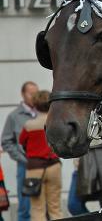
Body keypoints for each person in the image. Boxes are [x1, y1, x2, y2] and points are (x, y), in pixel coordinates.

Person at [19, 90, 62, 221]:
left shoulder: (28, 125)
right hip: (54, 166)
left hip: (35, 168)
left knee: (37, 208)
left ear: (35, 105)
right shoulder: (56, 123)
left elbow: (21, 142)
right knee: (55, 207)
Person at [1, 81, 38, 221]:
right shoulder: (14, 116)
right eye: (31, 93)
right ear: (23, 94)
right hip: (25, 167)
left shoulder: (44, 113)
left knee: (43, 206)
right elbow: (6, 141)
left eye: (36, 93)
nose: (34, 96)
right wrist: (23, 159)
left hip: (44, 166)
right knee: (25, 207)